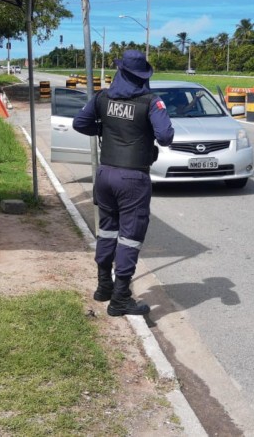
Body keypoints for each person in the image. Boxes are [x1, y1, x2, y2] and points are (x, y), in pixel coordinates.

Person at [73, 50, 174, 316]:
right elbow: (165, 137)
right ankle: (120, 299)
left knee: (107, 231)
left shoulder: (102, 97)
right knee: (129, 238)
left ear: (119, 71)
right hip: (133, 178)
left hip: (105, 176)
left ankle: (103, 286)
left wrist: (104, 129)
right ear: (142, 76)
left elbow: (79, 123)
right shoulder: (151, 102)